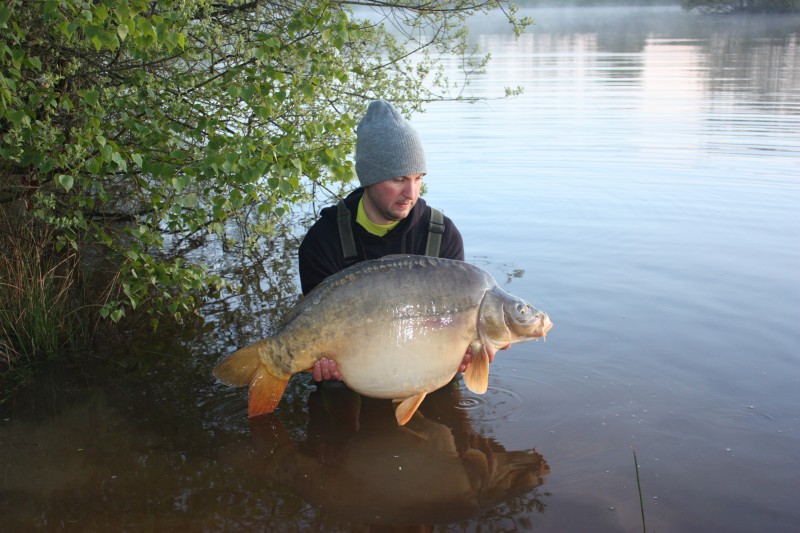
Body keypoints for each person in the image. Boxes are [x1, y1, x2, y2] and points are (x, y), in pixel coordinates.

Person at [298, 99, 468, 382]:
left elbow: (455, 323)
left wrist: (468, 349)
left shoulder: (442, 236)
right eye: (399, 179)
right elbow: (316, 326)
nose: (411, 193)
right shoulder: (323, 241)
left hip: (428, 370)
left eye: (418, 178)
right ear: (369, 179)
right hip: (352, 373)